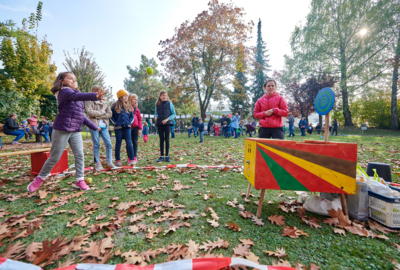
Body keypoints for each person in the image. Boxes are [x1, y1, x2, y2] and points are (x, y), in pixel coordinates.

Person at [27, 72, 105, 192]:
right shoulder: (64, 92)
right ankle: (39, 179)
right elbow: (76, 97)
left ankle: (80, 180)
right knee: (54, 157)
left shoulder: (77, 96)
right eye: (70, 78)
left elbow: (81, 116)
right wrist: (94, 96)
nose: (74, 81)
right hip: (62, 128)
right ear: (62, 81)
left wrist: (94, 127)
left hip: (76, 131)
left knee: (80, 155)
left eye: (75, 79)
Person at [85, 85, 116, 171]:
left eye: (101, 91)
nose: (101, 93)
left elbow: (109, 114)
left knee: (109, 144)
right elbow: (90, 113)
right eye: (98, 91)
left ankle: (110, 162)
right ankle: (98, 163)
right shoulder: (89, 101)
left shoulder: (105, 102)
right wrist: (102, 113)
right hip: (94, 125)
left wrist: (98, 114)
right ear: (94, 92)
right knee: (96, 144)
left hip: (104, 125)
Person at [111, 90, 135, 166]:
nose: (126, 97)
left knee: (129, 142)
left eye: (126, 96)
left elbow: (132, 116)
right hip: (118, 127)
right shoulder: (114, 106)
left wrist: (130, 123)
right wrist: (115, 123)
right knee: (118, 143)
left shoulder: (128, 105)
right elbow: (111, 117)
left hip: (127, 127)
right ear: (120, 97)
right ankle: (117, 160)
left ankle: (131, 159)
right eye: (124, 96)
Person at [154, 90, 176, 162]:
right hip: (160, 124)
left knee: (167, 139)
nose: (165, 97)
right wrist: (155, 117)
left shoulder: (169, 104)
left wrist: (167, 119)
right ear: (160, 96)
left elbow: (174, 114)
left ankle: (167, 156)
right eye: (163, 95)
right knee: (161, 139)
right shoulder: (157, 104)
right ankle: (161, 156)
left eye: (166, 95)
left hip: (167, 124)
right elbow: (155, 113)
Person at [128, 94, 142, 165]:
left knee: (135, 142)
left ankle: (135, 156)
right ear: (130, 100)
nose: (135, 101)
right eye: (134, 99)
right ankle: (129, 157)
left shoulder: (137, 109)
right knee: (128, 142)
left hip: (136, 127)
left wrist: (140, 128)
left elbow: (139, 119)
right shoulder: (127, 108)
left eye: (136, 100)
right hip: (128, 128)